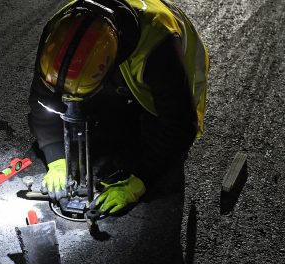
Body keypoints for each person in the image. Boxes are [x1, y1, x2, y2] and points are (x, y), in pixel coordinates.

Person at [27, 0, 209, 214]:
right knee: (103, 122)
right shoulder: (58, 35)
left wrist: (141, 180)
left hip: (173, 67)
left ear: (111, 69)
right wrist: (56, 156)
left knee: (155, 140)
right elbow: (41, 102)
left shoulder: (159, 48)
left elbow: (180, 125)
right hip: (119, 59)